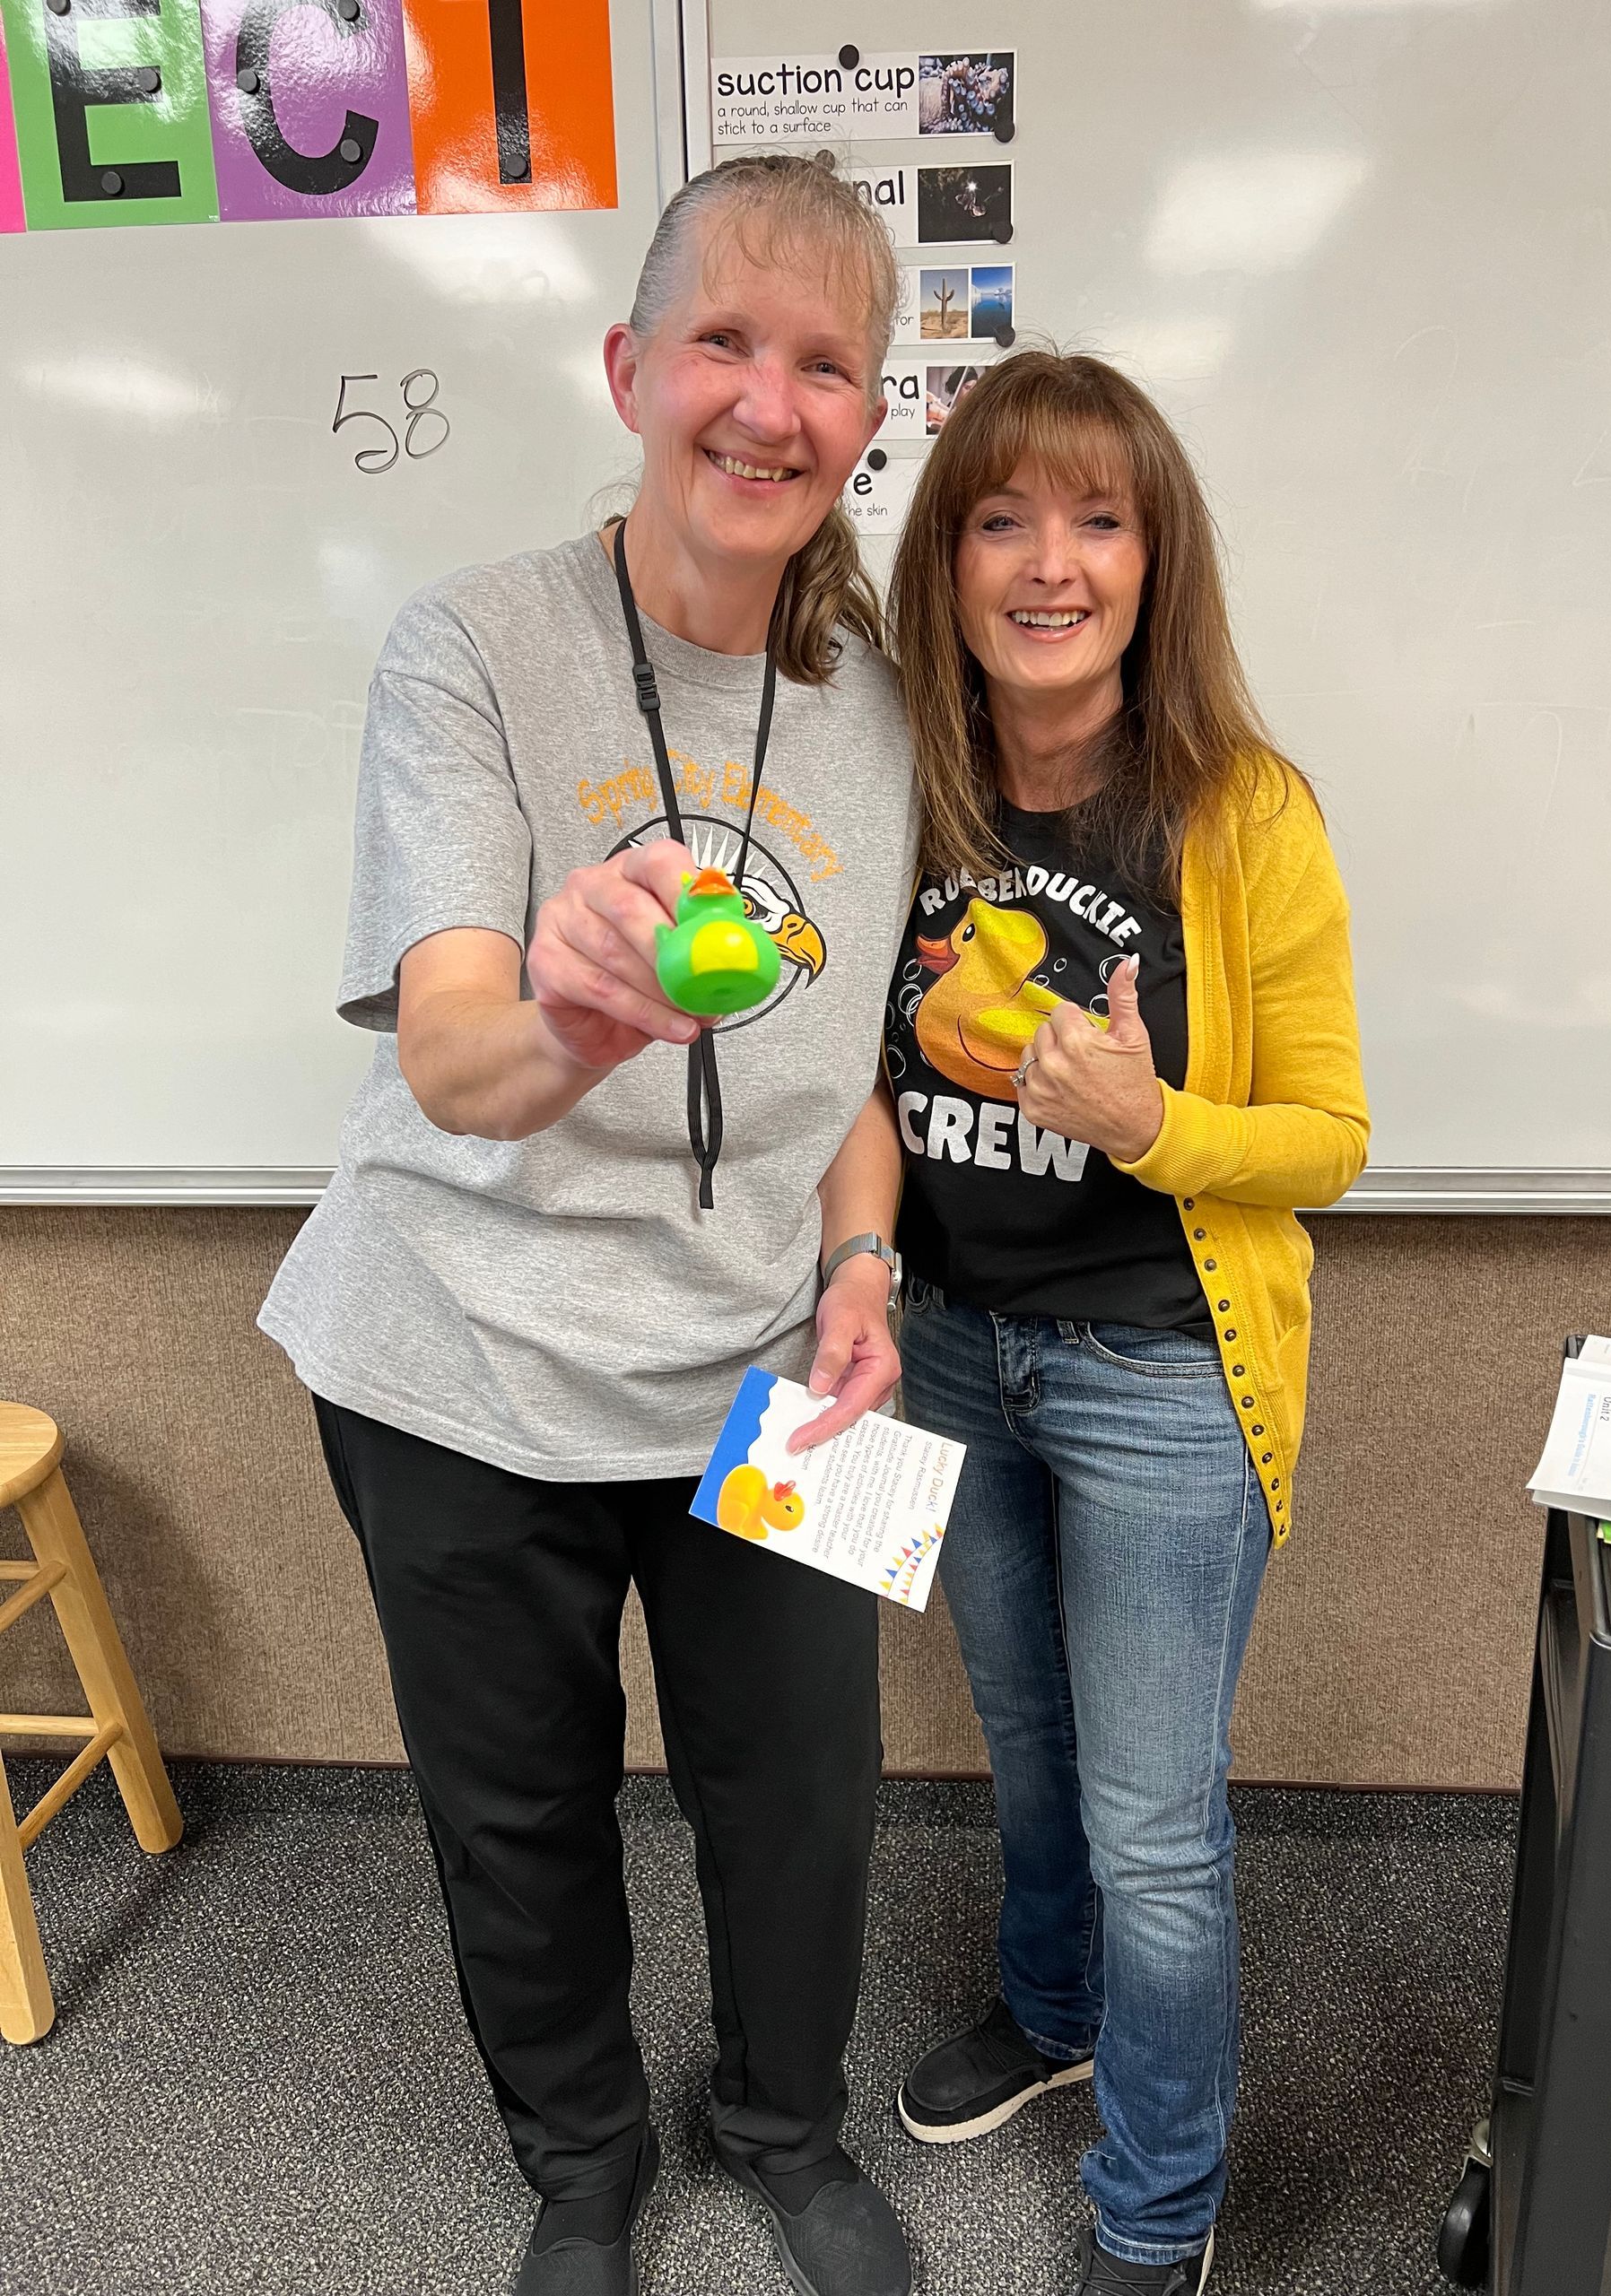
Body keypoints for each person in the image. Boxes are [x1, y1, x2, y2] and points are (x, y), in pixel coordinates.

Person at [258, 154, 919, 2296]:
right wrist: (572, 1005)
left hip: (757, 1357)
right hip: (459, 1346)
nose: (769, 402)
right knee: (518, 1807)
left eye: (826, 365)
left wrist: (861, 1264)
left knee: (803, 1789)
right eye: (724, 339)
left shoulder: (889, 709)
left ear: (869, 417)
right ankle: (581, 2161)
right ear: (633, 367)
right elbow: (451, 1052)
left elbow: (853, 1088)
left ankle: (787, 2123)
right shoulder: (471, 644)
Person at [882, 353, 1370, 2295]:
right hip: (940, 1344)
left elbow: (1331, 1137)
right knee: (1024, 1741)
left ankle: (1160, 2203)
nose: (1049, 561)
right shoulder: (901, 776)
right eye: (1003, 516)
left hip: (1162, 1371)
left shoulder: (1242, 813)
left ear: (1158, 561)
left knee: (1157, 1817)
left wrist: (1148, 1121)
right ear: (950, 558)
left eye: (1098, 517)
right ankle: (1050, 2002)